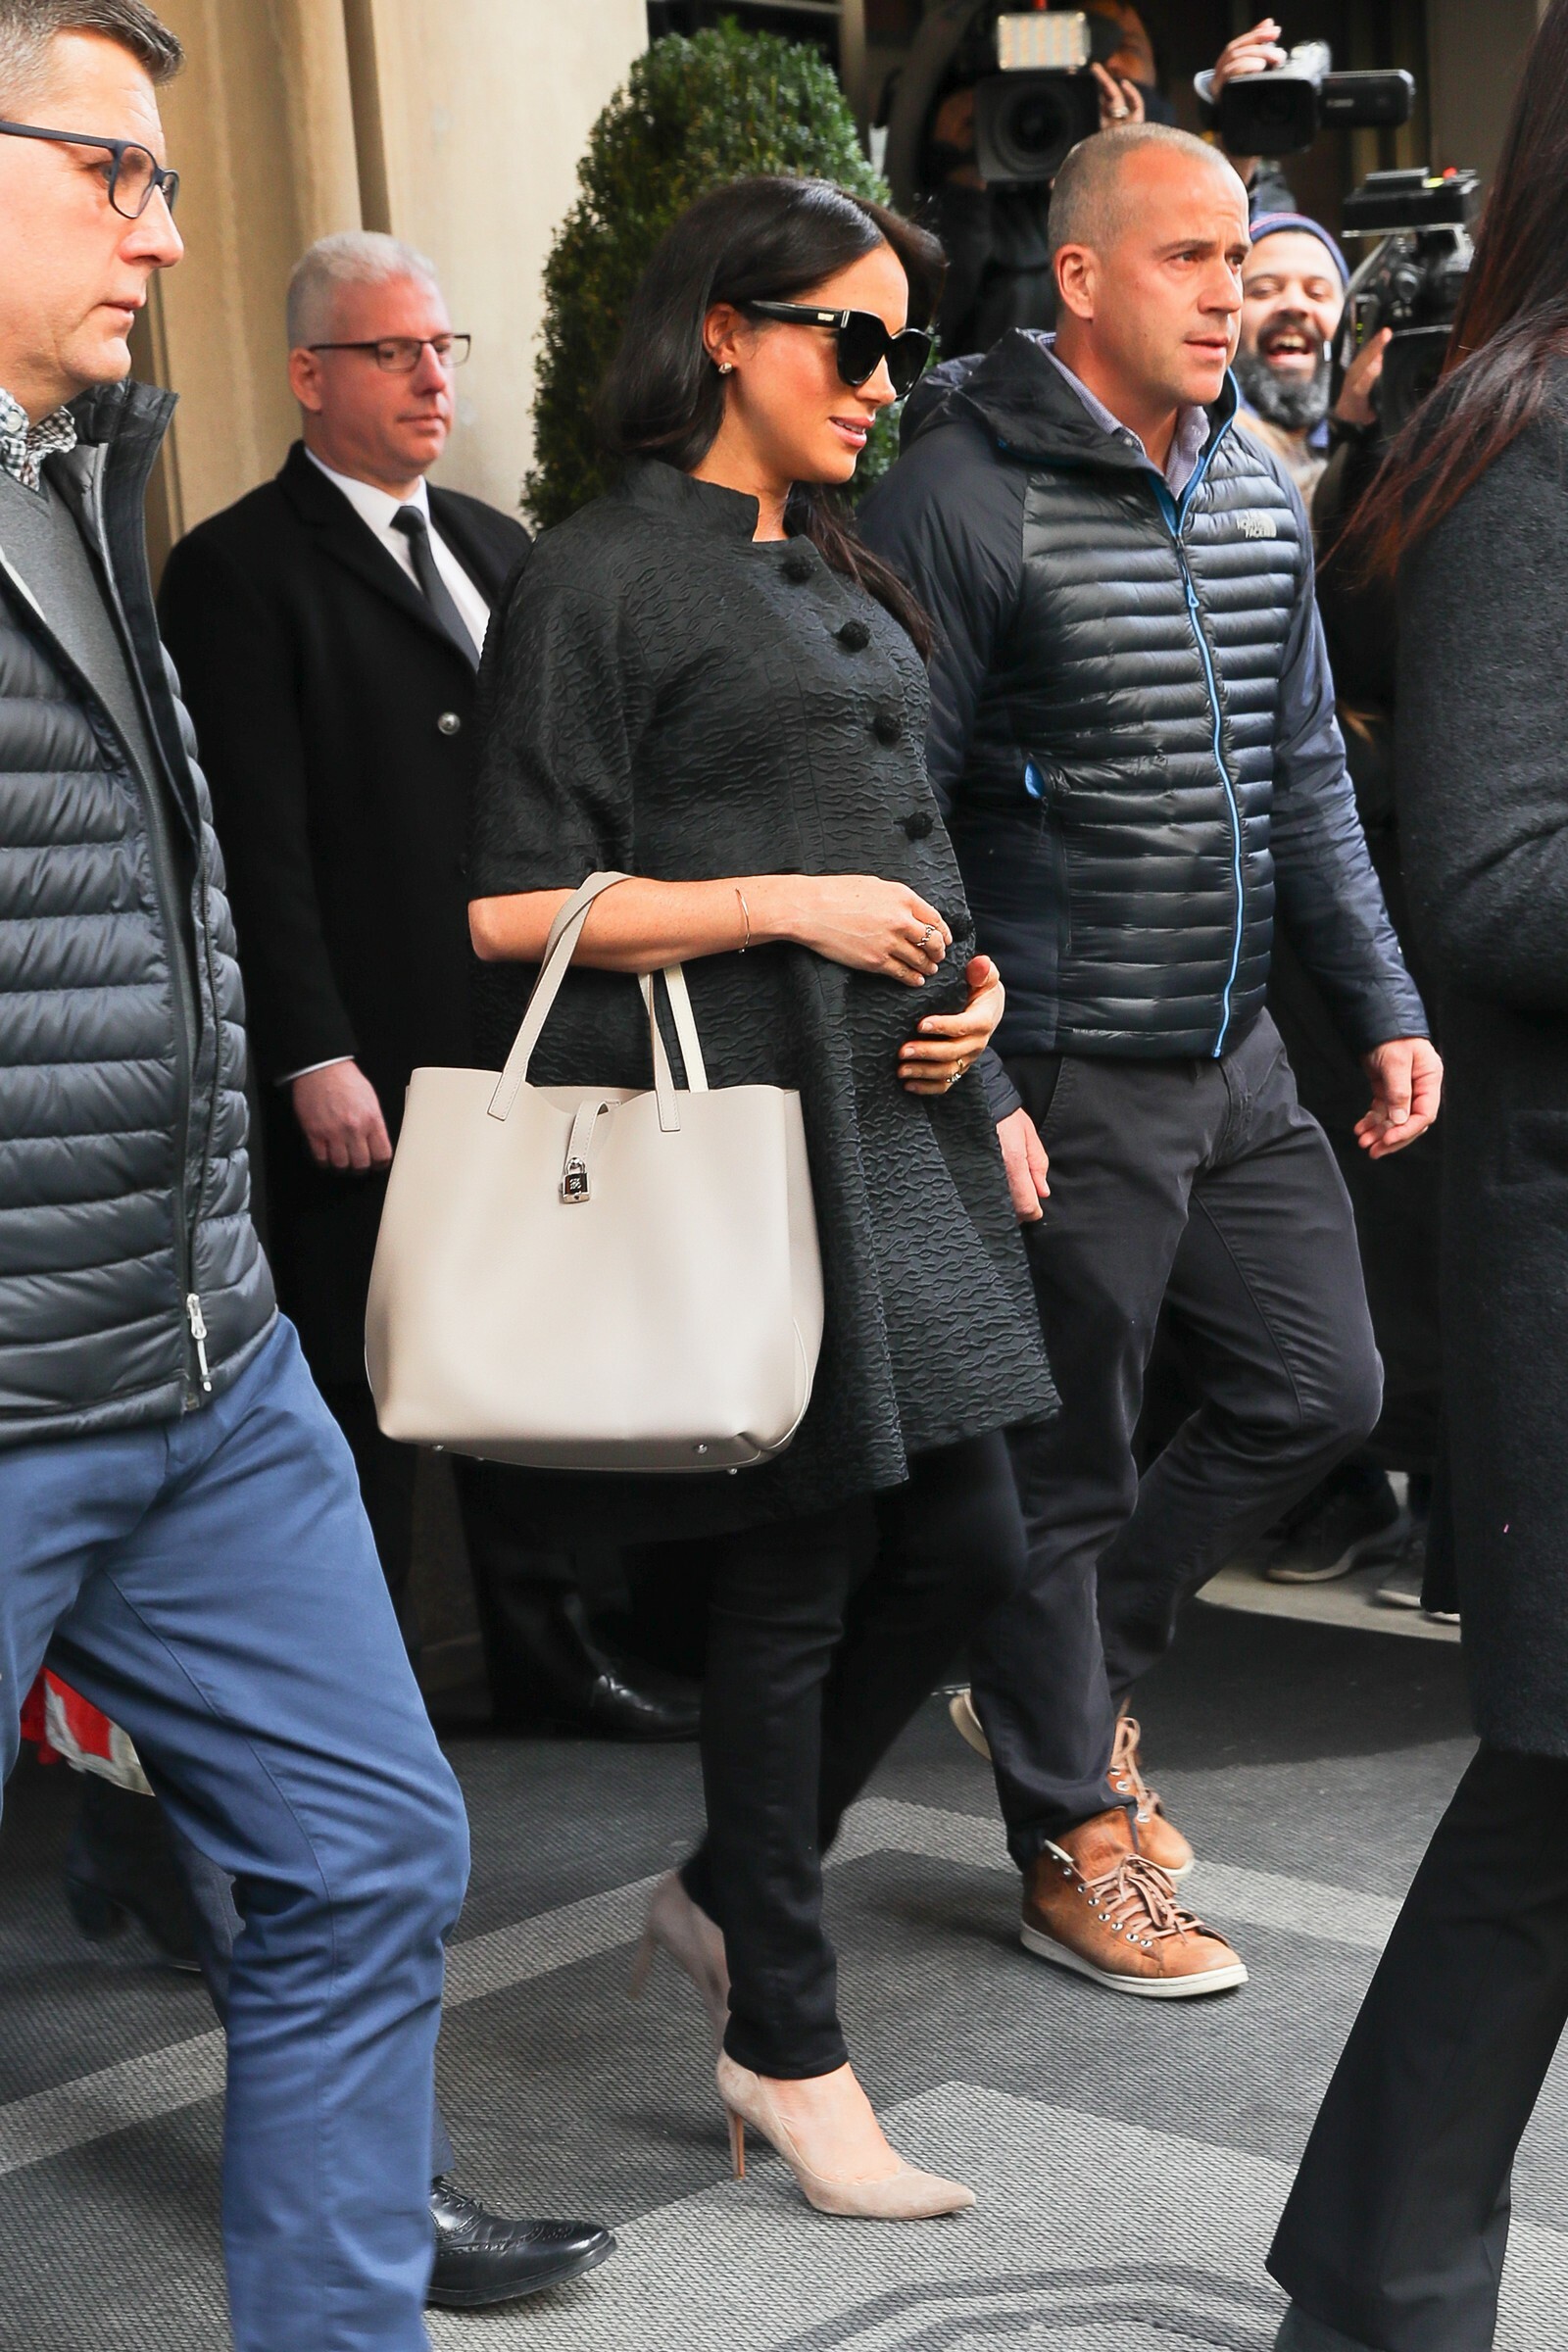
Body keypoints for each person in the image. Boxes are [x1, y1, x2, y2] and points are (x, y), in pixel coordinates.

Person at [466, 172, 1054, 2219]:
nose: (881, 382)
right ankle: (786, 2050)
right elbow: (509, 907)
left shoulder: (831, 557)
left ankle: (730, 1884)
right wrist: (778, 904)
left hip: (899, 1121)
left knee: (971, 1539)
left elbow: (912, 843)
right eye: (848, 337)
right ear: (725, 328)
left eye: (902, 344)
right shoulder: (597, 575)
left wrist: (981, 1020)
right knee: (794, 1583)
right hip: (744, 1130)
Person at [0, 5, 499, 2344]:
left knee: (369, 1853)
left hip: (200, 1357)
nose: (168, 234)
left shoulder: (85, 468)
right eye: (113, 172)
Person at [859, 122, 1439, 1998]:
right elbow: (898, 812)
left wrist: (1387, 1004)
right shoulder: (958, 493)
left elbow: (1307, 776)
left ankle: (1069, 1673)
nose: (1230, 294)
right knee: (1069, 1461)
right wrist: (983, 1082)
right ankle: (1071, 1837)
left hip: (1237, 1042)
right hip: (1068, 1051)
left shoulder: (1255, 486)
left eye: (1240, 260)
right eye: (1188, 259)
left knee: (1322, 1386)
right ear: (1082, 276)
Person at [158, 233, 697, 1741]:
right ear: (307, 373)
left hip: (512, 1036)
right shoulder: (237, 569)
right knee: (363, 1386)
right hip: (365, 1059)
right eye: (393, 351)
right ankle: (358, 1707)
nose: (431, 377)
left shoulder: (492, 540)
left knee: (523, 1355)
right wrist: (308, 1053)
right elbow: (250, 842)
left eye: (443, 348)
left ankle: (545, 1657)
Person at [1267, 6, 1568, 2338]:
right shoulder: (1521, 440)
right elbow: (1483, 883)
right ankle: (1372, 2284)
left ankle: (1370, 2281)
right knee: (1545, 1818)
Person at [1232, 211, 1348, 501]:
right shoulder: (1194, 449)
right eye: (1264, 290)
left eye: (1317, 293)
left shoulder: (1376, 441)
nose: (1295, 305)